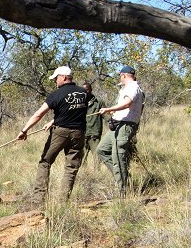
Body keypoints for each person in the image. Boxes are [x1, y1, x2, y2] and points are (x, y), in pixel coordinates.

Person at [17, 66, 90, 204]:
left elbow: (38, 114)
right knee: (71, 167)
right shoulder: (84, 92)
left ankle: (38, 199)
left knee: (45, 162)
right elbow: (73, 111)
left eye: (56, 78)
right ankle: (63, 201)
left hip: (60, 132)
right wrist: (53, 120)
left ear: (63, 77)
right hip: (78, 133)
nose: (55, 81)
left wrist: (24, 130)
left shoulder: (56, 94)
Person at [97, 65, 145, 195]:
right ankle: (124, 178)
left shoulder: (133, 87)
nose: (121, 80)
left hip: (125, 125)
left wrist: (108, 109)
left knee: (118, 156)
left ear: (123, 75)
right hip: (117, 125)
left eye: (120, 77)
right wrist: (113, 110)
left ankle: (124, 191)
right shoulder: (128, 88)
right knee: (101, 150)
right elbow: (125, 106)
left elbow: (128, 103)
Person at [82, 82, 104, 164]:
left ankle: (97, 175)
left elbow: (107, 116)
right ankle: (84, 174)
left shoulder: (99, 102)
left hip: (94, 134)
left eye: (87, 90)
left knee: (97, 157)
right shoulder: (79, 103)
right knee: (81, 158)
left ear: (91, 90)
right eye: (83, 91)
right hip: (82, 134)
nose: (85, 92)